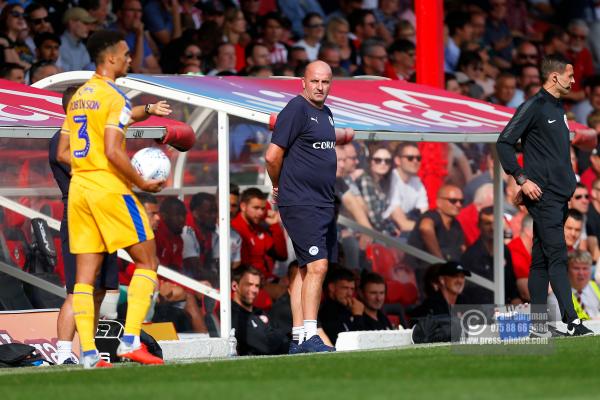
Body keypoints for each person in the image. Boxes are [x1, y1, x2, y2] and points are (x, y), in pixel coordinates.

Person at [58, 30, 173, 368]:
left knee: (84, 277)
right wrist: (141, 183)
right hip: (108, 188)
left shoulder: (80, 96)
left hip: (79, 188)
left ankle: (90, 355)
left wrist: (146, 110)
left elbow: (64, 151)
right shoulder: (114, 97)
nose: (129, 58)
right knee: (148, 261)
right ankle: (131, 340)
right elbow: (111, 148)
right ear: (109, 58)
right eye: (125, 53)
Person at [496, 54, 593, 337]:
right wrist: (522, 179)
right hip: (544, 196)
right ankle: (572, 321)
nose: (574, 81)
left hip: (558, 196)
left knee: (540, 260)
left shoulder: (557, 107)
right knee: (558, 257)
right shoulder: (534, 106)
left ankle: (538, 326)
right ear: (554, 77)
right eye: (570, 75)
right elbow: (504, 142)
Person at [265, 60, 338, 353]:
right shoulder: (296, 109)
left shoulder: (327, 113)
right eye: (315, 81)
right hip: (302, 202)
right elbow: (272, 156)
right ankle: (310, 335)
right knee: (317, 266)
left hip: (322, 203)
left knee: (308, 270)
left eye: (325, 82)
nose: (320, 87)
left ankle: (298, 338)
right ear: (303, 83)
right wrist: (278, 185)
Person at [49, 86, 117, 365]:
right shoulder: (62, 141)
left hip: (105, 216)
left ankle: (89, 348)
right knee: (78, 289)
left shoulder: (95, 136)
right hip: (81, 215)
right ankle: (64, 352)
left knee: (99, 289)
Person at [231, 265, 288, 356]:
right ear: (234, 286)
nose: (254, 290)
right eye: (249, 284)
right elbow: (266, 346)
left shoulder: (259, 312)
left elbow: (284, 340)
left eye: (257, 286)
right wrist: (278, 336)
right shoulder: (232, 315)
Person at [548, 250, 600, 321]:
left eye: (585, 268)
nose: (581, 273)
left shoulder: (596, 287)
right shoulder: (555, 298)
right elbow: (558, 328)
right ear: (566, 270)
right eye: (576, 268)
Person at [318, 268, 366, 344]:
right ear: (332, 287)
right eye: (345, 288)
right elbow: (353, 343)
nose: (349, 293)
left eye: (352, 289)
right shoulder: (327, 313)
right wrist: (358, 316)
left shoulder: (350, 309)